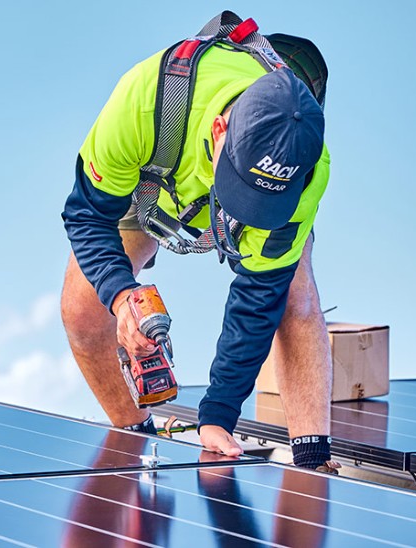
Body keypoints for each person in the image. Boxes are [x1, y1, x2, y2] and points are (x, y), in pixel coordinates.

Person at [60, 11, 338, 471]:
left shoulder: (309, 174)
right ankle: (137, 444)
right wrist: (121, 295)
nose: (237, 216)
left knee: (295, 295)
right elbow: (87, 215)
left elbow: (258, 296)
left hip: (245, 166)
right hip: (158, 175)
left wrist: (219, 414)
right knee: (83, 307)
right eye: (238, 191)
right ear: (219, 131)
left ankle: (313, 465)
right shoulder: (141, 104)